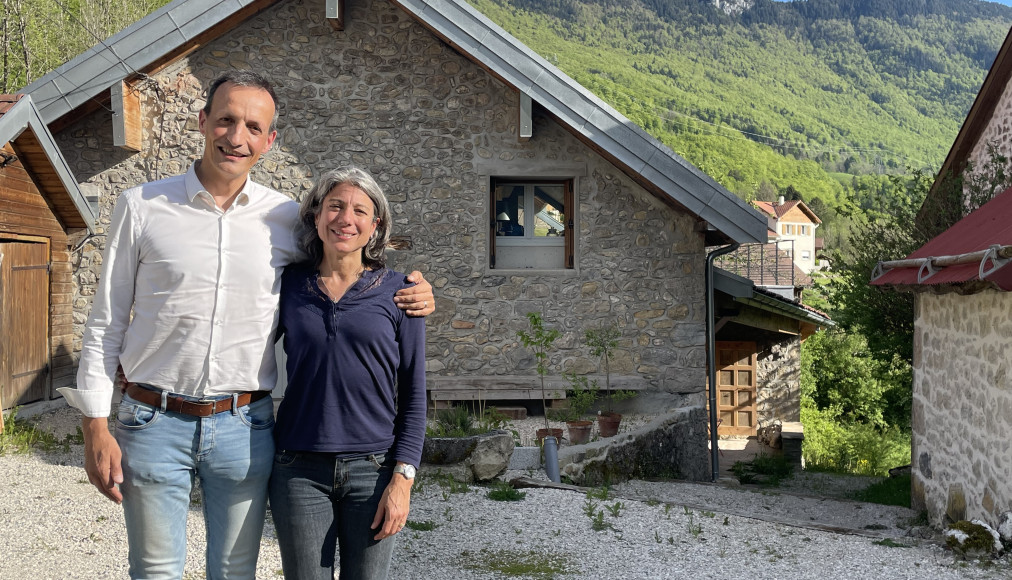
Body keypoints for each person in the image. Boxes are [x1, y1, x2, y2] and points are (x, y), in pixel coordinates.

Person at [58, 70, 435, 580]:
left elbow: (345, 270)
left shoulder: (283, 219)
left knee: (236, 570)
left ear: (269, 140)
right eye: (227, 121)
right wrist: (94, 424)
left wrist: (415, 290)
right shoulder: (142, 206)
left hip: (243, 425)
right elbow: (104, 320)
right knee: (154, 569)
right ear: (203, 121)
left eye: (253, 127)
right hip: (152, 419)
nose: (237, 137)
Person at [268, 167, 426, 580]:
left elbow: (414, 393)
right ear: (316, 215)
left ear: (375, 226)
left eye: (360, 210)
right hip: (297, 470)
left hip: (373, 471)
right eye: (335, 206)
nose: (345, 218)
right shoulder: (287, 286)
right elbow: (238, 346)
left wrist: (402, 479)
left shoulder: (401, 292)